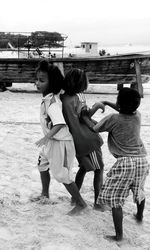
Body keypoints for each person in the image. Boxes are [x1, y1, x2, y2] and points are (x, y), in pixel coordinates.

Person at [93, 88, 149, 241]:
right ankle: (139, 216)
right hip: (142, 160)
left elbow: (95, 128)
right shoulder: (138, 116)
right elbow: (124, 108)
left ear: (118, 103)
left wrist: (86, 115)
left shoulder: (113, 119)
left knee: (115, 200)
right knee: (139, 190)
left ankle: (119, 236)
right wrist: (108, 103)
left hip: (125, 162)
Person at [34, 60, 87, 215]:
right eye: (36, 79)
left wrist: (46, 137)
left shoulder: (51, 103)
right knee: (42, 165)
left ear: (52, 83)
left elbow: (60, 124)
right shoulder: (51, 96)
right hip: (51, 141)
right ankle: (45, 194)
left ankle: (81, 203)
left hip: (60, 143)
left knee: (62, 175)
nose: (37, 83)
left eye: (41, 80)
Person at [61, 68, 105, 210]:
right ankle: (98, 203)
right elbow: (85, 116)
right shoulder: (76, 99)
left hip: (75, 141)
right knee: (99, 169)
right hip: (87, 140)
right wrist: (97, 106)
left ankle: (75, 199)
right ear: (80, 83)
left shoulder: (64, 98)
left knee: (84, 168)